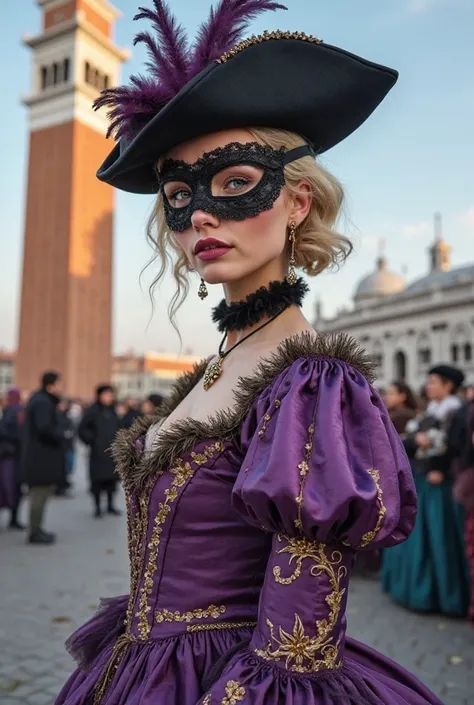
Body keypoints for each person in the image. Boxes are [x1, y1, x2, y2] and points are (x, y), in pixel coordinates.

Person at [56, 2, 442, 705]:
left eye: (235, 183)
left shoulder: (311, 384)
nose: (201, 212)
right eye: (179, 195)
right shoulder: (223, 362)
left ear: (297, 202)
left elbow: (298, 642)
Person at [382, 365, 470, 616]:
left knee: (441, 539)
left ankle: (447, 597)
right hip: (424, 480)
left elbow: (456, 446)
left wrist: (439, 465)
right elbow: (407, 441)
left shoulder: (455, 411)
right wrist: (417, 442)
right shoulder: (429, 412)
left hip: (441, 484)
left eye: (433, 381)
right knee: (422, 538)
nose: (428, 386)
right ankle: (421, 592)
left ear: (448, 386)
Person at [22, 371, 70, 544]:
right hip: (40, 457)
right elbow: (44, 428)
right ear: (51, 385)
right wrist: (63, 434)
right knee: (39, 494)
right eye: (60, 384)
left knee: (41, 493)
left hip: (41, 456)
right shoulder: (42, 402)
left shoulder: (42, 400)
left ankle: (37, 529)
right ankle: (35, 532)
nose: (62, 388)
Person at [79, 385, 121, 518]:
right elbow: (82, 429)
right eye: (106, 395)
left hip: (112, 452)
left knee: (111, 480)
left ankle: (110, 506)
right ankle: (97, 507)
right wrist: (92, 440)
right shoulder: (92, 411)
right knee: (97, 480)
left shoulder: (113, 411)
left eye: (111, 395)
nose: (109, 397)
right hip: (98, 453)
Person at [0, 388, 25, 529]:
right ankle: (13, 519)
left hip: (8, 456)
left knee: (8, 488)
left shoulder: (8, 411)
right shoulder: (17, 411)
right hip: (13, 457)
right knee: (13, 488)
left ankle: (13, 519)